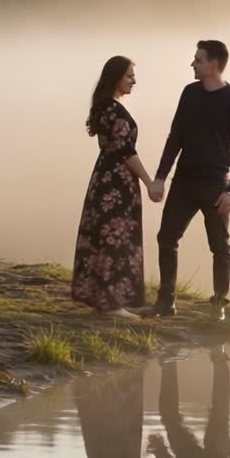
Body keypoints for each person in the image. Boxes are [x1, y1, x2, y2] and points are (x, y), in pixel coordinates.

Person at [138, 40, 230, 321]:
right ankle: (165, 303)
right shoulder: (189, 93)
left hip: (215, 185)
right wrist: (160, 178)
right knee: (167, 237)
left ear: (214, 64)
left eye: (198, 60)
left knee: (219, 246)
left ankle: (218, 306)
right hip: (184, 181)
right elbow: (175, 137)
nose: (193, 64)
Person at [71, 56, 152, 319]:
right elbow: (127, 152)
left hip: (105, 178)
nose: (134, 80)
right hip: (116, 184)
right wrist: (150, 182)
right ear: (116, 77)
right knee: (115, 240)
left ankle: (104, 299)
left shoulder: (105, 106)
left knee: (107, 238)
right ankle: (112, 304)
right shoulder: (112, 110)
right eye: (129, 76)